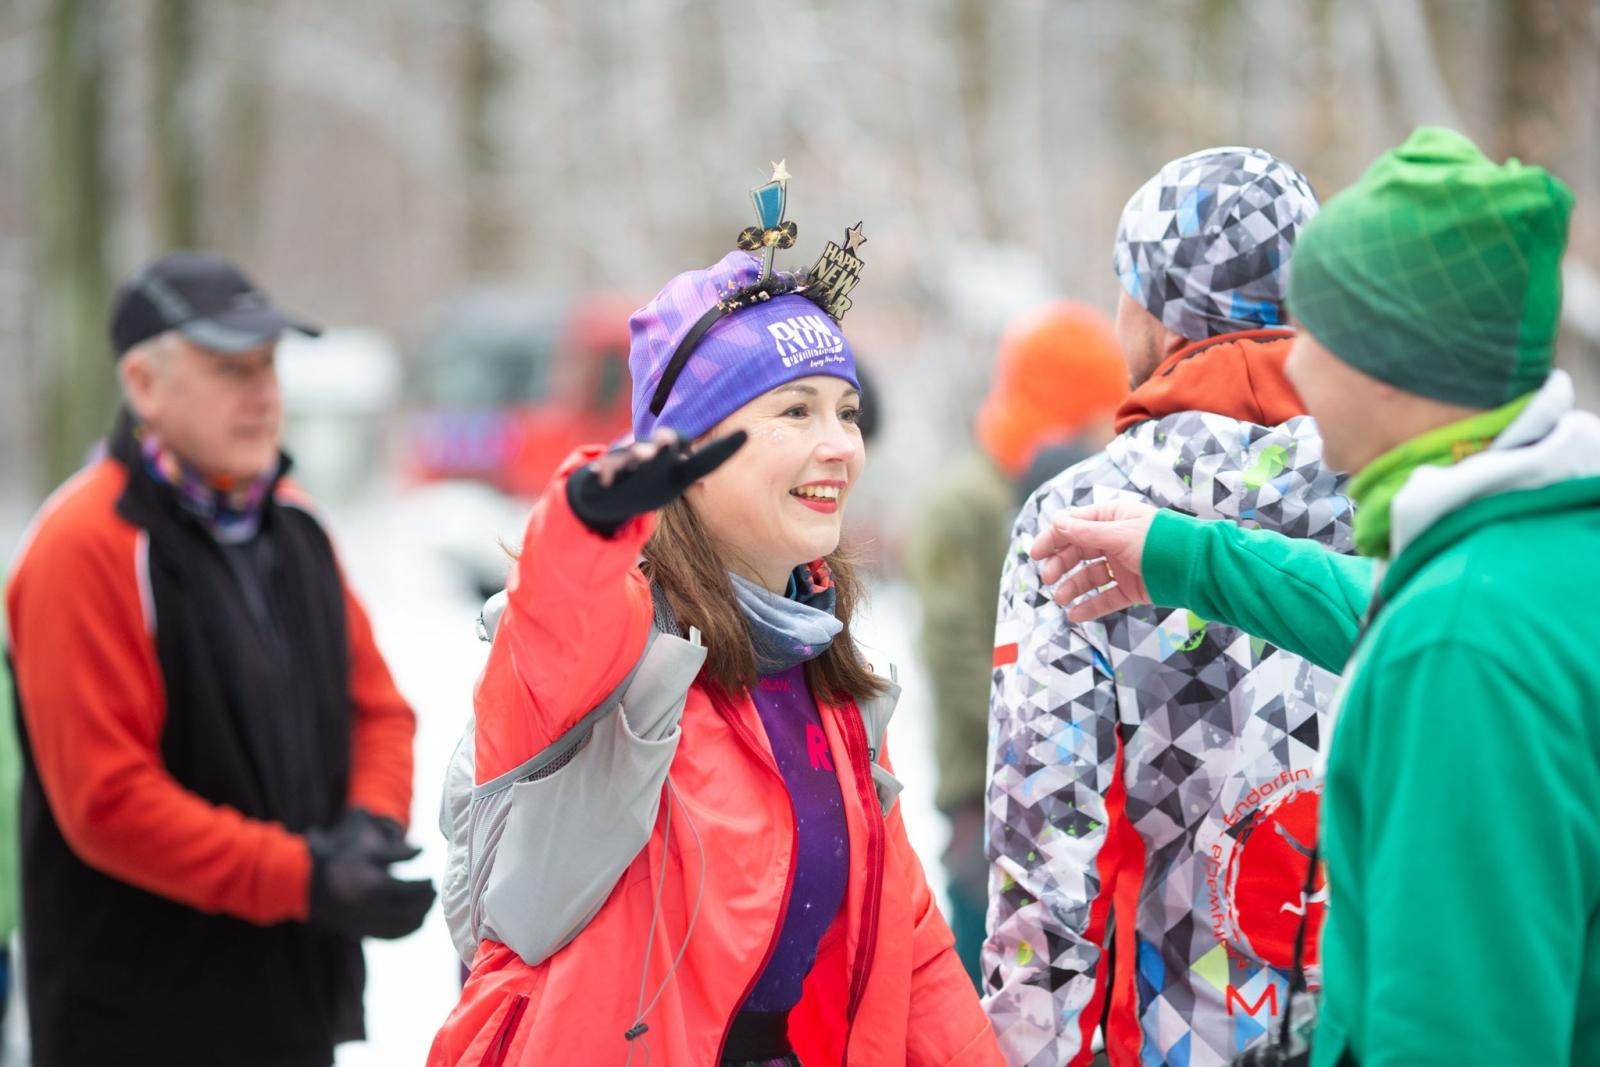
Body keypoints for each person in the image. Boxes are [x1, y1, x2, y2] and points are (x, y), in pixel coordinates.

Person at [1029, 128, 1593, 1066]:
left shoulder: (1460, 649)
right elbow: (1378, 604)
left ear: (1387, 360)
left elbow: (1457, 1031)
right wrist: (1186, 556)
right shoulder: (1539, 554)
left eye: (1313, 332)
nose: (1290, 366)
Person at [428, 175, 1003, 1066]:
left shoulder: (819, 663)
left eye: (846, 412)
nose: (840, 444)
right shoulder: (616, 641)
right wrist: (589, 516)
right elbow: (556, 613)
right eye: (795, 411)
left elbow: (909, 946)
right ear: (690, 454)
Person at [4, 251, 434, 1067]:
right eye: (228, 367)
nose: (263, 392)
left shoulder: (295, 522)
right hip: (135, 1020)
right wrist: (309, 876)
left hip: (292, 1002)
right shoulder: (85, 544)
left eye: (268, 364)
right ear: (143, 383)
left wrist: (369, 828)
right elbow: (110, 803)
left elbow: (376, 707)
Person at [984, 148, 1352, 1066]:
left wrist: (1031, 1048)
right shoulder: (1403, 489)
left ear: (1153, 306)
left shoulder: (1084, 517)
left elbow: (1044, 844)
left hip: (1170, 1037)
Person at [904, 300, 1126, 986]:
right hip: (987, 791)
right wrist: (1046, 737)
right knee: (992, 982)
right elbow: (955, 650)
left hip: (1067, 790)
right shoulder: (970, 502)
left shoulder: (1070, 482)